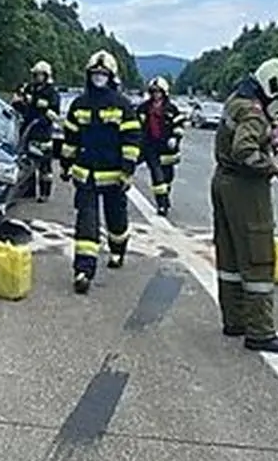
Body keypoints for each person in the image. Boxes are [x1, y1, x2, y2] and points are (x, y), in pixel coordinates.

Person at [212, 57, 278, 355]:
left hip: (223, 181)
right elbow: (244, 150)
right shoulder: (254, 113)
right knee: (258, 255)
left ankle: (235, 319)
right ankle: (260, 331)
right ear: (272, 88)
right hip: (246, 188)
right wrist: (268, 167)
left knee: (229, 255)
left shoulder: (237, 100)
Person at [58, 50, 141, 294]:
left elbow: (132, 139)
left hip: (114, 176)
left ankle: (117, 250)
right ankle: (83, 270)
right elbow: (71, 137)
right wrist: (65, 163)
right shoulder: (79, 104)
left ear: (111, 76)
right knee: (87, 221)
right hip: (86, 175)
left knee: (116, 219)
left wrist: (127, 171)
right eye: (95, 74)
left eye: (103, 74)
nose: (99, 78)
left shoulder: (122, 105)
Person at [11, 60, 61, 202]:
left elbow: (53, 113)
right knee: (27, 163)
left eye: (40, 75)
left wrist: (41, 116)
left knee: (44, 166)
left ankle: (45, 193)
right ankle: (28, 191)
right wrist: (19, 102)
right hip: (28, 130)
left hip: (43, 133)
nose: (38, 77)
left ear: (46, 76)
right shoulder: (30, 89)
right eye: (36, 74)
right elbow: (22, 107)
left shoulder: (51, 92)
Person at [136, 76, 185, 216]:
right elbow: (136, 126)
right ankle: (162, 204)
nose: (156, 94)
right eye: (153, 91)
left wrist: (175, 138)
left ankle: (165, 198)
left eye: (159, 92)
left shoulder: (172, 109)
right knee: (157, 178)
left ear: (164, 92)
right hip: (150, 147)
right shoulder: (143, 108)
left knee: (167, 178)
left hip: (167, 150)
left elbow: (179, 126)